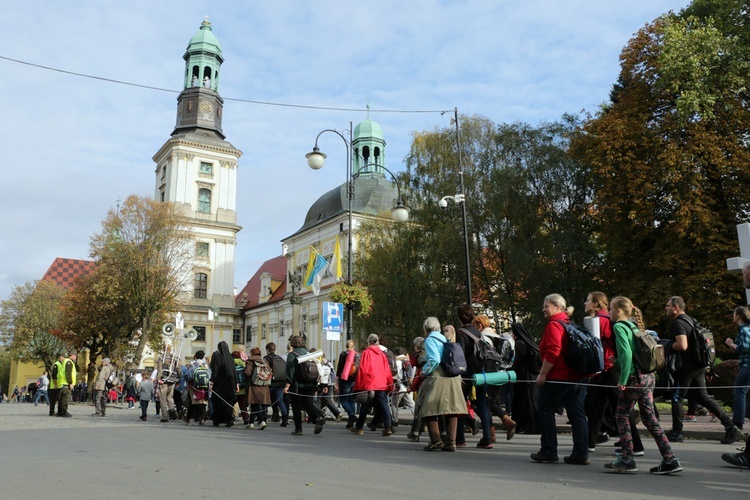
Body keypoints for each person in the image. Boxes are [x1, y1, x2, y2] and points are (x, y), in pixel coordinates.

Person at [604, 296, 683, 475]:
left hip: (633, 378)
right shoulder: (634, 325)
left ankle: (626, 458)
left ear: (618, 310)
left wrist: (622, 379)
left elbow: (626, 355)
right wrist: (617, 361)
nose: (609, 312)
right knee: (649, 419)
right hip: (648, 377)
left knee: (621, 415)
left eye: (610, 308)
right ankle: (669, 458)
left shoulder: (619, 326)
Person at [664, 296, 744, 444]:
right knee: (703, 397)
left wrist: (666, 345)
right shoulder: (690, 320)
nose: (666, 308)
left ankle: (676, 432)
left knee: (677, 397)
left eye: (668, 306)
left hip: (687, 368)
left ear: (676, 307)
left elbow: (682, 345)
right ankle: (731, 427)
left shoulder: (678, 323)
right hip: (699, 365)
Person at [531, 294, 589, 465]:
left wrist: (542, 373)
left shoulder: (555, 325)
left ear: (557, 307)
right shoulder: (569, 323)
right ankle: (581, 453)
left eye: (546, 306)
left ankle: (549, 450)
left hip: (558, 376)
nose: (543, 309)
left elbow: (554, 351)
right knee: (577, 413)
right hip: (574, 376)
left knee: (546, 410)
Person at [415, 317, 468, 451]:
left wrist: (424, 372)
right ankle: (451, 442)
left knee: (428, 408)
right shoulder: (445, 339)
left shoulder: (430, 340)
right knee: (452, 409)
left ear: (426, 328)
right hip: (453, 376)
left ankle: (435, 440)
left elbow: (434, 360)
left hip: (438, 376)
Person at [454, 304, 494, 449]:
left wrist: (459, 375)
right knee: (482, 404)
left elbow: (460, 355)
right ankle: (487, 438)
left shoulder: (461, 333)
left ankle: (460, 437)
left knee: (460, 404)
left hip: (466, 374)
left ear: (460, 317)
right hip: (480, 373)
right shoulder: (478, 332)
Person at [473, 314, 516, 441]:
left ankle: (494, 430)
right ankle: (504, 422)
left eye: (475, 326)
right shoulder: (500, 337)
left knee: (481, 402)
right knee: (490, 402)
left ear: (480, 325)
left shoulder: (484, 337)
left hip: (488, 375)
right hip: (501, 374)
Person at [285, 335, 326, 436]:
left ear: (292, 344)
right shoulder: (309, 354)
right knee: (308, 403)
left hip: (298, 385)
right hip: (312, 383)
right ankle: (317, 418)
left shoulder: (292, 354)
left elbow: (290, 371)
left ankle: (298, 429)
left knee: (296, 406)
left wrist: (287, 385)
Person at [511, 322, 540, 434]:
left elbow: (518, 362)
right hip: (532, 376)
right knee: (530, 402)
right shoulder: (528, 342)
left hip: (523, 377)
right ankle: (531, 425)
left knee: (523, 403)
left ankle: (524, 425)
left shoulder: (519, 343)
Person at [726, 306, 750, 431]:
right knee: (743, 391)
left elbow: (744, 348)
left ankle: (738, 422)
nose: (733, 316)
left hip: (747, 365)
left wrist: (731, 344)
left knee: (739, 392)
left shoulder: (744, 330)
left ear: (739, 316)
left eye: (734, 313)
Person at [210, 341, 238, 427]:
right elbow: (234, 372)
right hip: (230, 384)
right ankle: (229, 419)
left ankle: (217, 420)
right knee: (228, 402)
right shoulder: (231, 358)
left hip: (219, 383)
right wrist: (237, 383)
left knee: (218, 402)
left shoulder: (218, 357)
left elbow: (215, 371)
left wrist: (211, 382)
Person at [335, 339, 359, 428]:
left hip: (345, 380)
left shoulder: (343, 354)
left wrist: (337, 380)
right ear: (354, 346)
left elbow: (339, 368)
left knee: (343, 400)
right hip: (354, 380)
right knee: (351, 400)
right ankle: (351, 422)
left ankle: (351, 415)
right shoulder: (357, 355)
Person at [264, 342, 289, 427]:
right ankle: (285, 419)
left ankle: (263, 419)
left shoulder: (266, 358)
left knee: (266, 400)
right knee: (280, 401)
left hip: (270, 383)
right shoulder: (280, 358)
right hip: (280, 382)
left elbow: (265, 370)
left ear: (267, 350)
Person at [247, 347, 272, 429]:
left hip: (254, 385)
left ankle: (261, 421)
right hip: (264, 385)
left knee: (255, 403)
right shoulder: (264, 361)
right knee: (255, 404)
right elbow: (270, 372)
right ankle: (251, 423)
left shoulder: (250, 361)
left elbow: (248, 372)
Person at [390, 347, 415, 428]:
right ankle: (417, 418)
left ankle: (395, 420)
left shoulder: (395, 361)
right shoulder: (408, 360)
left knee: (394, 404)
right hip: (407, 385)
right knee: (411, 403)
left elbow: (395, 374)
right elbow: (412, 372)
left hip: (398, 385)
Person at [156, 343, 180, 423]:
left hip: (164, 380)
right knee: (170, 397)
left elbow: (160, 369)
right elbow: (178, 369)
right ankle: (172, 410)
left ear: (164, 349)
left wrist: (158, 378)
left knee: (163, 398)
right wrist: (178, 379)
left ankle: (165, 416)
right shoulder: (175, 358)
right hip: (172, 379)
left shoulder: (161, 358)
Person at [185, 350, 210, 425]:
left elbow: (188, 376)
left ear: (195, 357)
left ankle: (189, 417)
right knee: (202, 401)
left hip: (194, 386)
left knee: (193, 401)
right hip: (205, 386)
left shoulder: (193, 365)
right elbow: (210, 375)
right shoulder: (205, 365)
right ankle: (202, 418)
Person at [317, 353, 343, 422]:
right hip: (331, 382)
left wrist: (324, 385)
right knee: (326, 399)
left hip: (325, 383)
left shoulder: (321, 363)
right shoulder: (329, 363)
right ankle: (336, 413)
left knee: (320, 399)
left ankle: (320, 416)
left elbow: (322, 374)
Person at [232, 350, 251, 427]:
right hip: (243, 387)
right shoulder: (243, 363)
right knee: (243, 404)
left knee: (231, 403)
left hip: (234, 387)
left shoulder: (231, 363)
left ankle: (231, 417)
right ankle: (246, 418)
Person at [56, 351, 77, 418]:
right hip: (66, 383)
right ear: (72, 355)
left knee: (61, 399)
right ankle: (64, 412)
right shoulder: (69, 362)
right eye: (75, 356)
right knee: (65, 399)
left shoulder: (64, 361)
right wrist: (70, 383)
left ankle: (59, 412)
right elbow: (68, 373)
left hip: (62, 383)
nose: (76, 357)